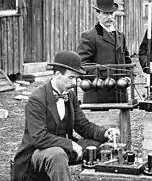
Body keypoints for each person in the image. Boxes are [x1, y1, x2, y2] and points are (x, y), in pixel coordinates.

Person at [12, 51, 120, 181]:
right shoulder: (37, 99)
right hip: (36, 153)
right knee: (57, 155)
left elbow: (82, 125)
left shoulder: (69, 95)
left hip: (63, 148)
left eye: (76, 78)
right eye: (71, 77)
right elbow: (39, 138)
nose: (75, 82)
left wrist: (105, 133)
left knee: (98, 147)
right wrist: (70, 144)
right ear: (57, 74)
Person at [77, 0, 131, 103]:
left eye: (111, 14)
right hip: (99, 95)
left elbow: (127, 61)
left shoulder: (120, 36)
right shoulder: (90, 36)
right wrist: (103, 75)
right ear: (98, 14)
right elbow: (81, 66)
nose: (109, 17)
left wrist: (127, 77)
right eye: (105, 14)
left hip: (120, 96)